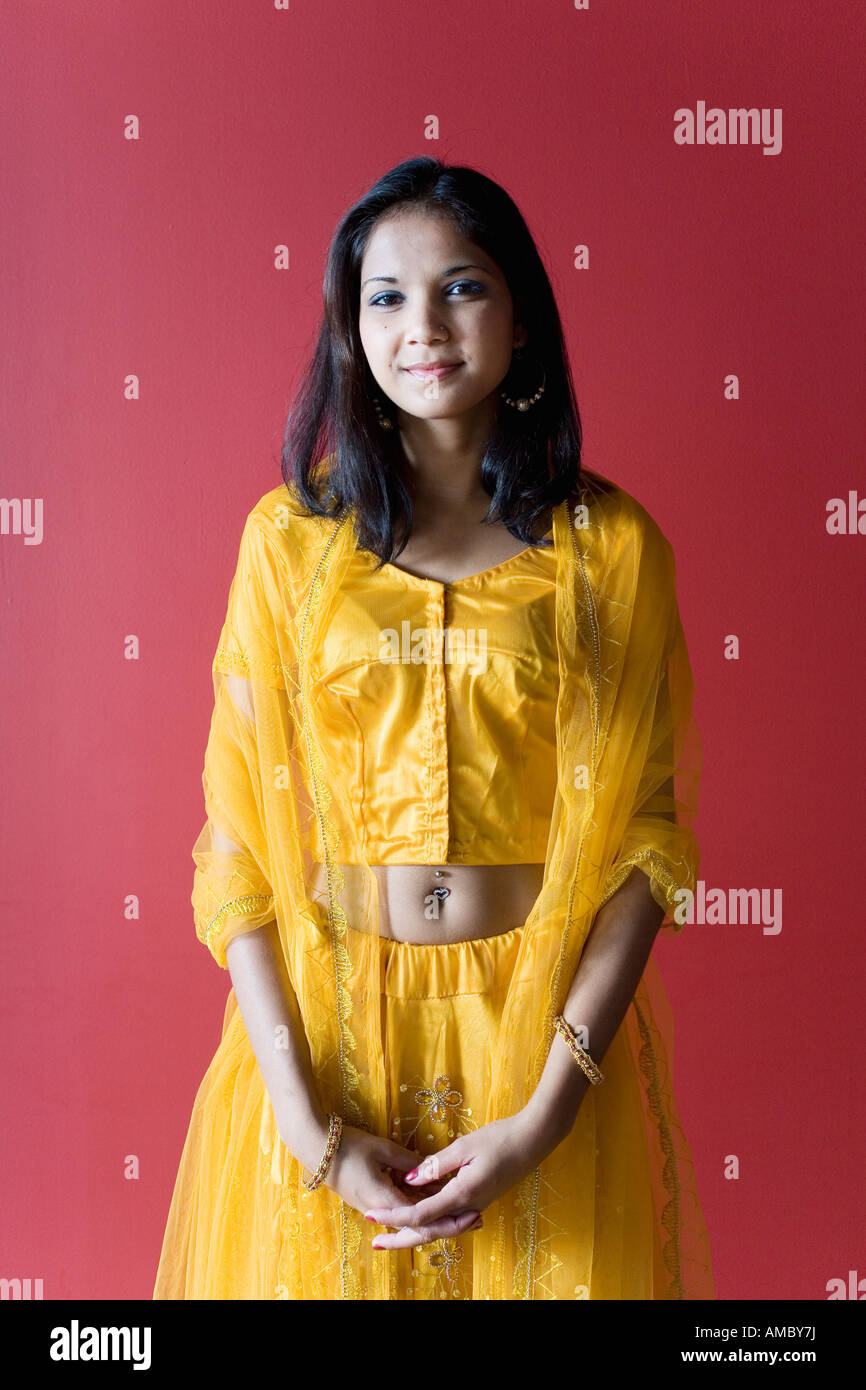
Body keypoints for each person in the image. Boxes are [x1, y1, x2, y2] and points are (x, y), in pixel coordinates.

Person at [153, 156, 714, 1300]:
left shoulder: (610, 551)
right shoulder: (289, 547)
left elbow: (646, 849)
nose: (424, 326)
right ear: (348, 330)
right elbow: (237, 857)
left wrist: (547, 1108)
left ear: (518, 314)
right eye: (385, 296)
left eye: (460, 287)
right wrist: (309, 1126)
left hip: (540, 1048)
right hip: (328, 1042)